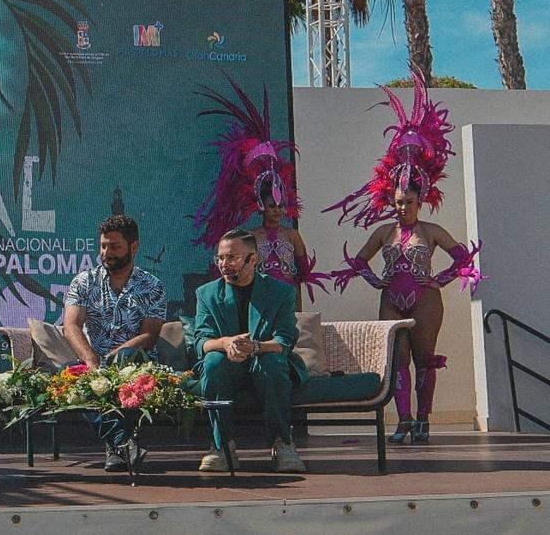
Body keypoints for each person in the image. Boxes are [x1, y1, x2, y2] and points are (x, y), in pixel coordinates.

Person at [328, 72, 483, 444]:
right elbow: (360, 261)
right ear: (391, 202)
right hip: (391, 301)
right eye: (398, 203)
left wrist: (439, 279)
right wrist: (373, 279)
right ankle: (404, 421)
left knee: (424, 359)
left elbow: (464, 258)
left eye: (409, 203)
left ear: (420, 200)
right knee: (396, 361)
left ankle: (425, 421)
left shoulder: (431, 232)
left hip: (426, 299)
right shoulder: (384, 232)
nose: (403, 208)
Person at [192, 79, 327, 309]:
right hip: (259, 299)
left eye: (281, 205)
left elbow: (303, 273)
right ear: (261, 205)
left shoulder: (293, 236)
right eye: (273, 205)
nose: (278, 210)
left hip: (288, 297)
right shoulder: (251, 236)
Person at [193, 229, 308, 473]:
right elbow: (201, 341)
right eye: (220, 258)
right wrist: (226, 343)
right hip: (227, 365)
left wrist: (255, 347)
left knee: (272, 362)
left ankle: (283, 443)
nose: (224, 264)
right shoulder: (207, 294)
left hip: (264, 361)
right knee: (212, 362)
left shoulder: (280, 291)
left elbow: (285, 340)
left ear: (253, 259)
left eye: (232, 257)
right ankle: (222, 446)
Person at [62, 215, 167, 472]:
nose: (106, 253)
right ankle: (122, 443)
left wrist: (118, 356)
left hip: (136, 362)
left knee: (130, 373)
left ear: (134, 247)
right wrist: (90, 360)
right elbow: (71, 326)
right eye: (103, 246)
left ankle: (116, 446)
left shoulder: (153, 286)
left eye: (115, 246)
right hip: (94, 361)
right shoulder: (84, 281)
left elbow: (150, 334)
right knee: (72, 379)